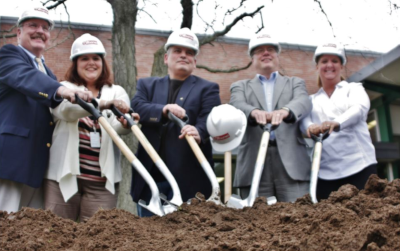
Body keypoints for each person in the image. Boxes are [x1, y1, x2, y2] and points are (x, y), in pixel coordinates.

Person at [0, 7, 92, 213]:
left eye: (45, 27)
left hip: (36, 165)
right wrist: (60, 88)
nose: (40, 31)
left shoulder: (46, 71)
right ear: (18, 32)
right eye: (33, 25)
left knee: (26, 231)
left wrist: (99, 104)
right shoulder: (8, 55)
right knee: (5, 224)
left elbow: (58, 108)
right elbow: (25, 78)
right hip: (10, 161)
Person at [43, 33, 139, 221]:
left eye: (96, 58)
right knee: (55, 233)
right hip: (63, 178)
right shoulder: (64, 87)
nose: (91, 63)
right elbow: (65, 112)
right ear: (75, 63)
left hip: (101, 182)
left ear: (103, 63)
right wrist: (102, 104)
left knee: (97, 239)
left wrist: (126, 124)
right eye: (84, 58)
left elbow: (116, 128)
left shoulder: (116, 91)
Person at [131, 28, 221, 217]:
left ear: (195, 62)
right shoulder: (147, 85)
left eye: (189, 53)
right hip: (150, 179)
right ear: (166, 58)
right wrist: (163, 110)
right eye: (178, 51)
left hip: (190, 182)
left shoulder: (208, 89)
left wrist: (199, 131)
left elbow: (210, 117)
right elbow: (137, 106)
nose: (183, 55)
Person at [229, 33, 312, 202]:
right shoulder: (240, 86)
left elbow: (303, 101)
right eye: (260, 50)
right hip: (253, 162)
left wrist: (285, 111)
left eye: (270, 50)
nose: (266, 53)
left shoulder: (295, 83)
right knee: (256, 221)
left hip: (292, 163)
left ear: (277, 57)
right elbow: (236, 104)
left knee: (299, 218)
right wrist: (253, 112)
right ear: (252, 59)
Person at [301, 42, 377, 199]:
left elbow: (359, 108)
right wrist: (310, 127)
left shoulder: (354, 89)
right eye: (324, 61)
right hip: (325, 173)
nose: (329, 65)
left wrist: (336, 123)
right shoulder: (311, 100)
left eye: (334, 61)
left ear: (341, 66)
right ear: (317, 67)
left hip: (360, 166)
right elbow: (303, 121)